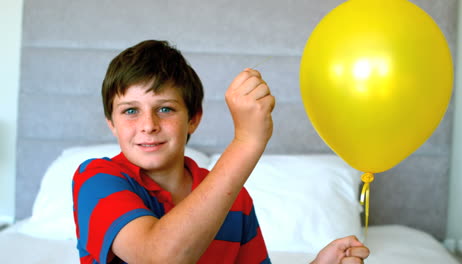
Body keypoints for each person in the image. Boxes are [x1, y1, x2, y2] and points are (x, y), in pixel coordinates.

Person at [72, 39, 370, 264]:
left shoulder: (235, 200)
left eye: (165, 108)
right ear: (111, 124)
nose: (148, 125)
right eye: (131, 111)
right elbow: (158, 256)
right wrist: (246, 142)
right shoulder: (97, 179)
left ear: (193, 119)